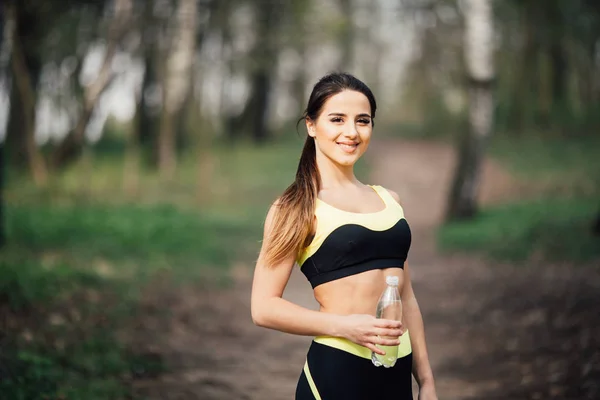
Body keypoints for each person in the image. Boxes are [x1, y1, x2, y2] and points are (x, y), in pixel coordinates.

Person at [250, 72, 438, 400]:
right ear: (311, 125)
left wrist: (427, 381)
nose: (351, 132)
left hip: (396, 376)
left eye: (362, 121)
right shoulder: (294, 208)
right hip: (336, 374)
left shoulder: (389, 200)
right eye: (337, 119)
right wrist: (346, 326)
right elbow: (263, 307)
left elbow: (406, 298)